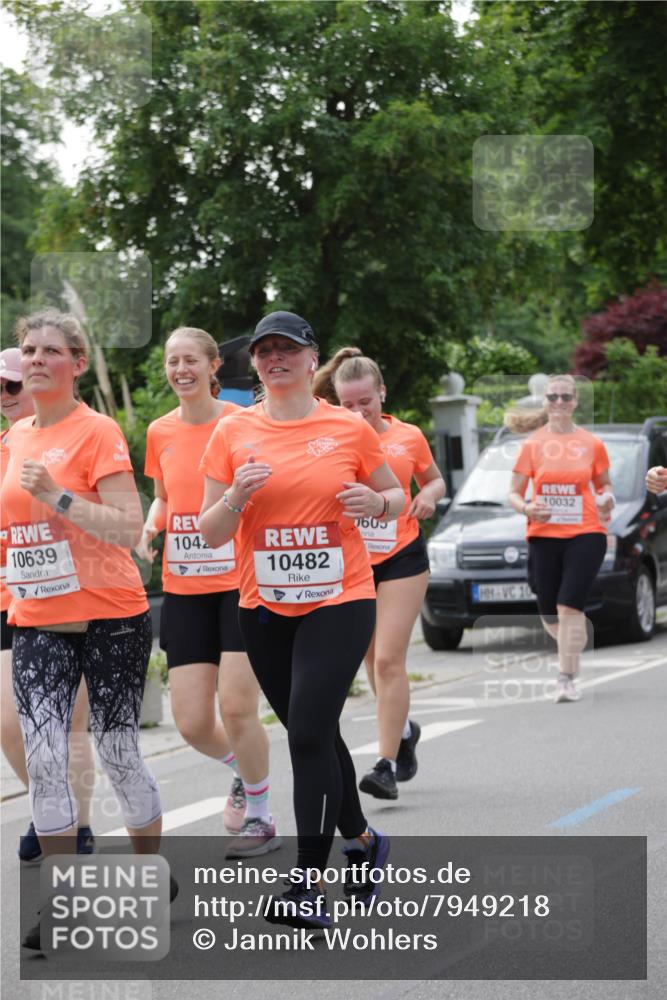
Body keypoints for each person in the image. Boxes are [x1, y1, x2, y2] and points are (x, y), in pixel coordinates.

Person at [199, 311, 405, 929]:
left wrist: (376, 501)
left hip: (339, 598)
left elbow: (394, 496)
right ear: (255, 363)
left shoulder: (347, 429)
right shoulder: (233, 433)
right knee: (315, 733)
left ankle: (307, 882)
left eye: (288, 348)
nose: (275, 358)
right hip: (263, 607)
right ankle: (364, 844)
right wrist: (235, 495)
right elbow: (210, 531)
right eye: (264, 351)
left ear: (313, 359)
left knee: (307, 732)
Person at [0, 310, 168, 950]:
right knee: (45, 763)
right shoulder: (13, 442)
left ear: (75, 362)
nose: (37, 359)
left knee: (119, 753)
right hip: (38, 618)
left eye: (50, 351)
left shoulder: (96, 432)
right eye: (29, 350)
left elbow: (130, 529)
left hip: (110, 614)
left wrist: (59, 498)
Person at [136, 326, 279, 858]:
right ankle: (242, 769)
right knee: (193, 722)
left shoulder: (244, 425)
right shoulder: (159, 432)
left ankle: (262, 817)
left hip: (242, 583)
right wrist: (151, 527)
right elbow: (165, 497)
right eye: (173, 361)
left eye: (191, 359)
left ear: (214, 365)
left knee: (238, 708)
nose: (181, 370)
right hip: (185, 588)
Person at [314, 348, 445, 800]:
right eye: (347, 404)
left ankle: (386, 764)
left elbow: (434, 478)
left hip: (402, 556)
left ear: (381, 393)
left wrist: (427, 495)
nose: (357, 411)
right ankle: (403, 729)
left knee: (388, 659)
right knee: (370, 661)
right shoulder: (328, 440)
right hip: (353, 563)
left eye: (365, 401)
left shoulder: (407, 436)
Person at [1, 348, 96, 862]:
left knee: (68, 725)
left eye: (11, 387)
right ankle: (54, 814)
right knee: (11, 725)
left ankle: (76, 836)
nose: (5, 399)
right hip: (11, 600)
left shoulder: (77, 435)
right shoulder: (5, 445)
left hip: (69, 597)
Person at [507, 374, 615, 703]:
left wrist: (607, 498)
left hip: (586, 532)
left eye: (565, 397)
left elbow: (605, 486)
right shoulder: (533, 445)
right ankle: (572, 644)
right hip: (544, 534)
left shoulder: (592, 444)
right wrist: (527, 508)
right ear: (545, 401)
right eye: (553, 397)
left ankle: (565, 677)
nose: (559, 403)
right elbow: (513, 492)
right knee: (549, 612)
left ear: (575, 402)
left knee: (568, 606)